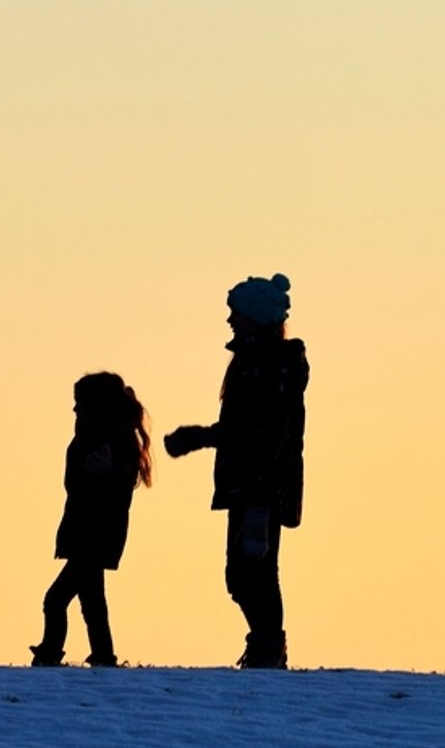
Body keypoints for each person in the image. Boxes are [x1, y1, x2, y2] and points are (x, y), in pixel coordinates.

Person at [163, 273, 308, 670]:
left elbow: (264, 431)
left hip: (260, 487)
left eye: (235, 312)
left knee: (254, 572)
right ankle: (266, 647)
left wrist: (201, 438)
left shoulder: (272, 366)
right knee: (243, 574)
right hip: (251, 485)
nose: (229, 320)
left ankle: (268, 650)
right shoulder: (253, 362)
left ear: (255, 316)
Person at [29, 372, 152, 668]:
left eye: (80, 403)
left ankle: (51, 653)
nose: (75, 410)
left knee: (56, 599)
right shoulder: (99, 437)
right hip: (88, 532)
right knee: (92, 601)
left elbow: (115, 486)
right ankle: (102, 654)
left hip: (93, 535)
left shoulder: (111, 440)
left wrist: (105, 473)